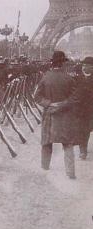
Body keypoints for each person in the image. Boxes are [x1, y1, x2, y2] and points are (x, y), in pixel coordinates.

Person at [34, 51, 77, 179]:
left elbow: (36, 97)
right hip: (65, 115)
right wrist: (62, 104)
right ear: (63, 63)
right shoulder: (69, 78)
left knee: (46, 143)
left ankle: (45, 167)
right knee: (68, 144)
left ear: (52, 63)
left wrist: (49, 104)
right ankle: (70, 173)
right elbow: (74, 98)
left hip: (49, 115)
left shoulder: (46, 77)